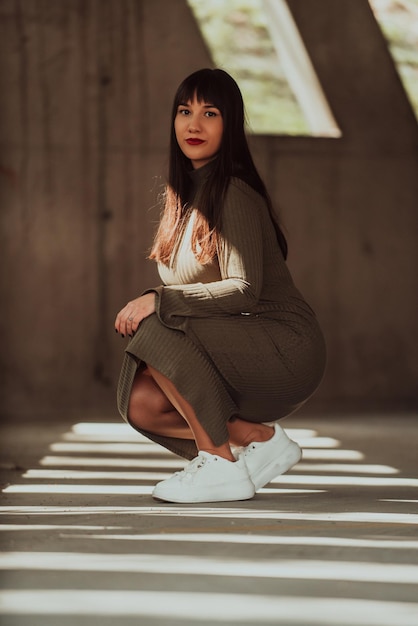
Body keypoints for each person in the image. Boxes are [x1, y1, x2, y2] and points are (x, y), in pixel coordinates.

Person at [114, 68, 326, 504]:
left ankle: (219, 462)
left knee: (157, 328)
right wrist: (163, 303)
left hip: (286, 347)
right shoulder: (188, 196)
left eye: (209, 113)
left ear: (229, 125)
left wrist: (159, 298)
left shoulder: (233, 193)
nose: (193, 125)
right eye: (184, 111)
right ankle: (254, 438)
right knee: (142, 404)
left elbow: (245, 290)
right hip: (241, 343)